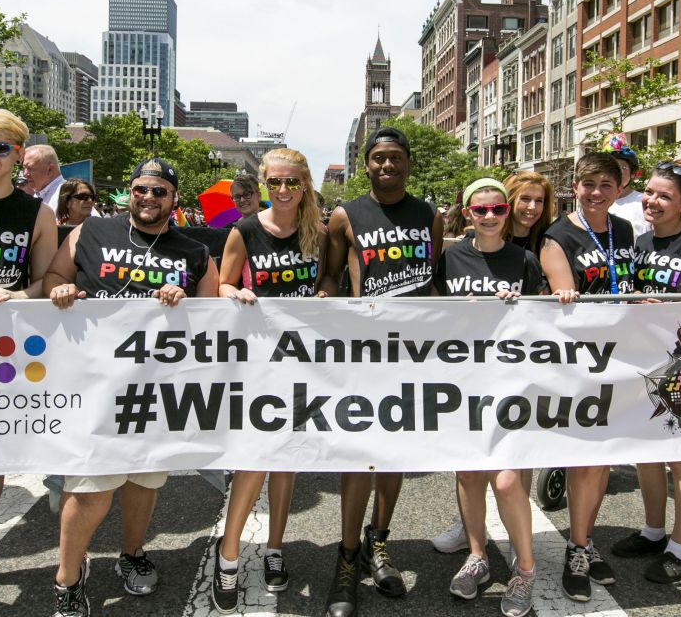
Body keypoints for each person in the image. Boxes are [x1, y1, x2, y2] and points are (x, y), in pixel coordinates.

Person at [43, 158, 219, 617]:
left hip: (157, 390)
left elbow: (214, 316)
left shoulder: (194, 252)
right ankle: (68, 577)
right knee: (90, 487)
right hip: (95, 386)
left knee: (143, 479)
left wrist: (185, 303)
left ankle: (132, 554)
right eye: (141, 188)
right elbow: (55, 277)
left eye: (159, 191)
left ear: (174, 199)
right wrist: (61, 290)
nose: (148, 198)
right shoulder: (92, 232)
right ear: (130, 191)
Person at [319, 126, 443, 617]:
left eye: (396, 157)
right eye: (378, 158)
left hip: (413, 352)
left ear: (408, 163)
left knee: (393, 454)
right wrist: (324, 300)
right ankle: (347, 559)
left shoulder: (429, 215)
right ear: (366, 163)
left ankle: (378, 542)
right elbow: (330, 275)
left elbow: (433, 281)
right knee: (359, 454)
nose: (387, 165)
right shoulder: (346, 215)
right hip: (364, 351)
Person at [212, 148, 328, 614]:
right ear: (264, 183)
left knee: (287, 460)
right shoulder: (245, 229)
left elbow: (326, 284)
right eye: (275, 182)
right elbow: (221, 284)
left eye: (292, 182)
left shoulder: (317, 232)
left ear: (305, 184)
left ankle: (275, 547)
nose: (283, 190)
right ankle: (228, 555)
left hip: (301, 360)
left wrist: (324, 294)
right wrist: (235, 291)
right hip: (256, 359)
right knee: (254, 458)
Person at [611, 160, 681, 583]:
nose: (653, 201)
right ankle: (653, 531)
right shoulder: (641, 241)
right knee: (646, 455)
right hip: (645, 362)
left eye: (665, 196)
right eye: (650, 192)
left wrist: (667, 308)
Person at [434, 177, 544, 617]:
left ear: (507, 211)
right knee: (468, 474)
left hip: (512, 383)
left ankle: (526, 570)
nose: (490, 216)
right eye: (480, 210)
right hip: (464, 381)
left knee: (507, 480)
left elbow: (544, 324)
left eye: (498, 209)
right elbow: (434, 315)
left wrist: (518, 306)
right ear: (467, 213)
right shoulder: (450, 258)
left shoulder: (525, 259)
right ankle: (477, 555)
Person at [539, 152, 635, 603]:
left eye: (606, 185)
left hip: (623, 359)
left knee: (601, 461)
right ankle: (577, 550)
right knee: (585, 459)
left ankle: (584, 538)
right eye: (589, 184)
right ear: (575, 186)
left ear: (620, 189)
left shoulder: (625, 230)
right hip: (580, 363)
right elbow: (567, 297)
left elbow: (628, 285)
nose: (597, 193)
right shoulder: (557, 236)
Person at [0, 109, 57, 605]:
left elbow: (44, 282)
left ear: (18, 155)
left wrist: (17, 296)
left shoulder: (37, 214)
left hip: (2, 349)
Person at [601, 133, 650, 238]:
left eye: (623, 168)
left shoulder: (644, 202)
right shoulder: (596, 201)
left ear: (632, 174)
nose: (617, 172)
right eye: (611, 168)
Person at [504, 170, 554, 252]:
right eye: (525, 199)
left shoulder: (549, 243)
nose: (532, 207)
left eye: (539, 200)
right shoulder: (491, 240)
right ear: (511, 201)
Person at [22, 144, 64, 212]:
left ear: (50, 169)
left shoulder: (66, 196)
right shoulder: (37, 195)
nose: (25, 174)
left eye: (30, 168)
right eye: (24, 168)